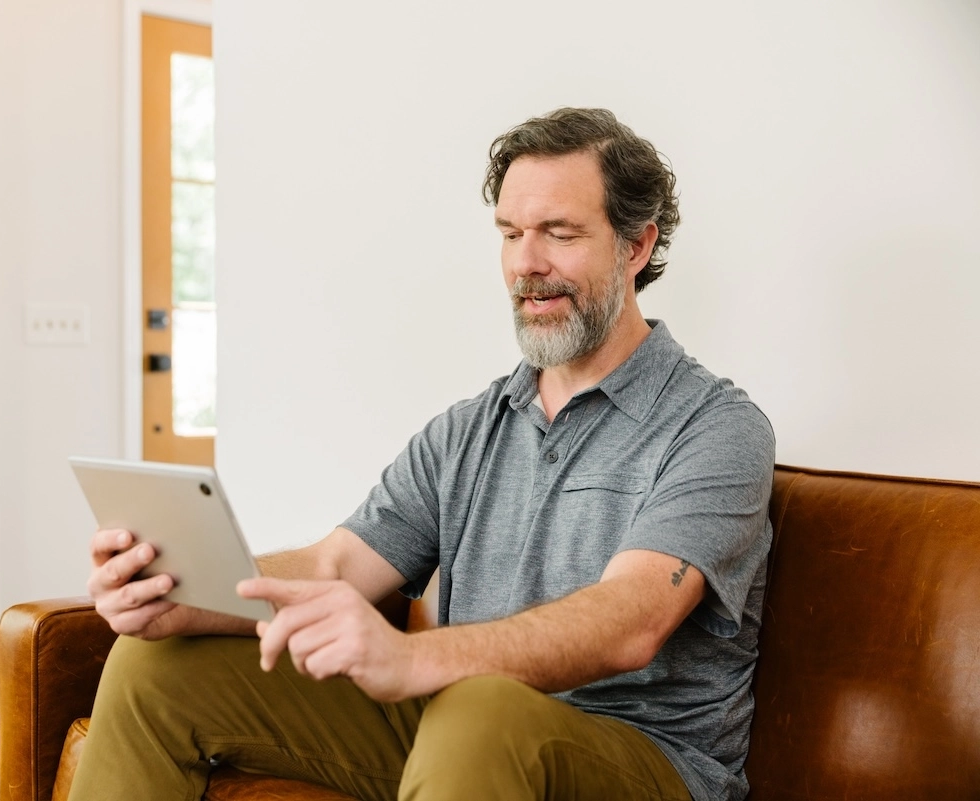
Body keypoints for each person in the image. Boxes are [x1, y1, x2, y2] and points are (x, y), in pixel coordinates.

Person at [69, 108, 774, 801]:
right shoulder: (468, 430)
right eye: (511, 233)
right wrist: (183, 593)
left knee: (478, 707)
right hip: (462, 728)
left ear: (636, 246)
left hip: (641, 757)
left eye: (559, 233)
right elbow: (335, 566)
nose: (526, 264)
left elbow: (631, 620)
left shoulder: (716, 427)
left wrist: (413, 657)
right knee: (154, 667)